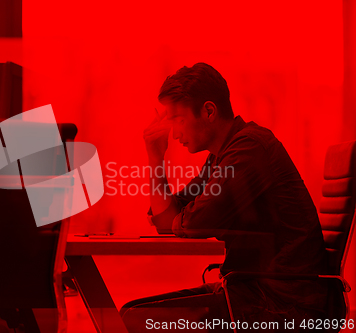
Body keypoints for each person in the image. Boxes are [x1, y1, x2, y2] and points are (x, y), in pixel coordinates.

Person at [120, 63, 328, 332]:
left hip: (286, 305)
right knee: (130, 313)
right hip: (252, 291)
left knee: (135, 320)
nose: (173, 133)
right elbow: (166, 221)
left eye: (177, 119)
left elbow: (194, 222)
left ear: (208, 111)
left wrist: (179, 218)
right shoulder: (222, 156)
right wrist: (155, 159)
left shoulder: (249, 149)